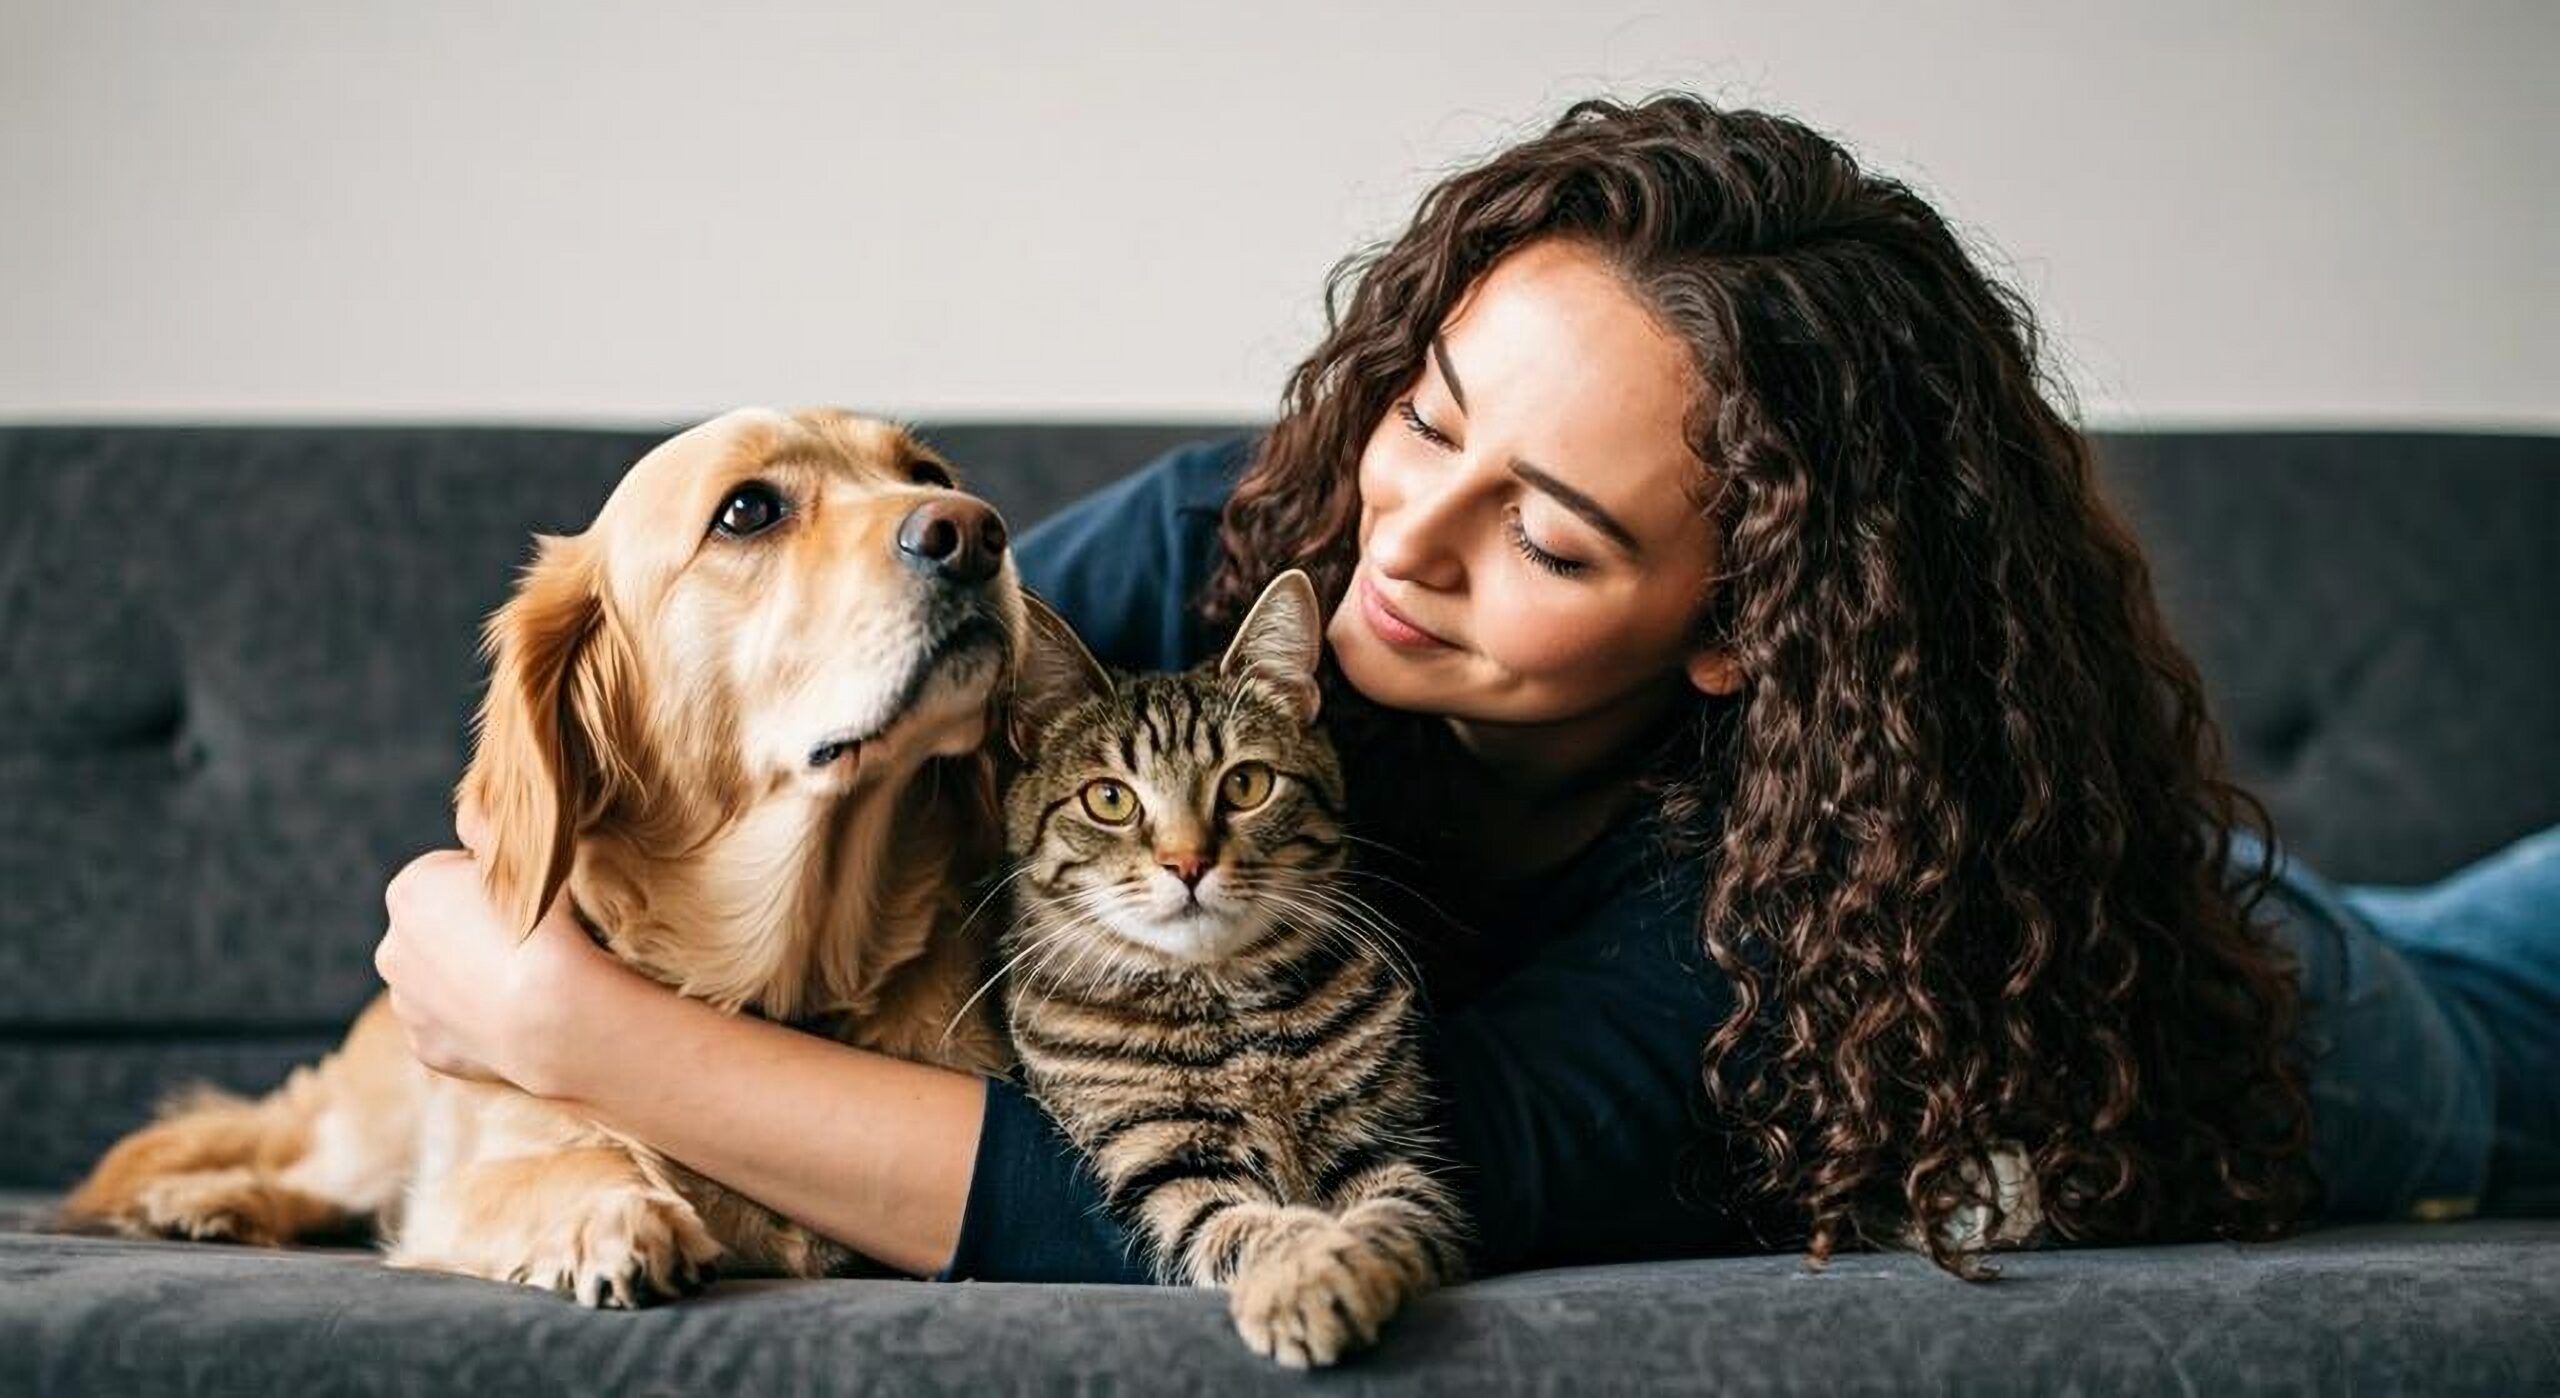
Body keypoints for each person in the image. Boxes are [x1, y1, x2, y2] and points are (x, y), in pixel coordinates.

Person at [374, 95, 2558, 1284]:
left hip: (2288, 1008)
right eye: (1426, 417)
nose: (1392, 548)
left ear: (1739, 624)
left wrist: (576, 1031)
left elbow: (1238, 1196)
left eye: (1550, 533)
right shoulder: (1209, 564)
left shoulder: (1805, 904)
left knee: (2485, 982)